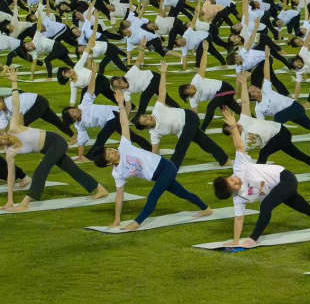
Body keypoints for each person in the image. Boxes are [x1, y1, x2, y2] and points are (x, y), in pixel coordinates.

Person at [90, 89, 212, 230]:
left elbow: (123, 124)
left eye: (110, 149)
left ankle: (136, 223)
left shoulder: (124, 147)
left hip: (165, 167)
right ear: (108, 163)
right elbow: (119, 195)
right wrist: (117, 218)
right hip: (157, 176)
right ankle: (206, 209)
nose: (113, 151)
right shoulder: (117, 173)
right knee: (183, 193)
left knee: (152, 197)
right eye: (109, 154)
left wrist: (121, 105)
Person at [212, 109, 310, 249]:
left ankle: (253, 239)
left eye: (231, 180)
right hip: (278, 189)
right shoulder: (238, 199)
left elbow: (239, 147)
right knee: (304, 208)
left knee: (266, 206)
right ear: (232, 193)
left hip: (285, 178)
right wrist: (235, 240)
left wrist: (233, 127)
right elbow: (238, 219)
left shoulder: (239, 168)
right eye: (234, 186)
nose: (236, 182)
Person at [1, 68, 107, 212]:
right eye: (1, 139)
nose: (4, 136)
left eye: (2, 134)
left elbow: (15, 104)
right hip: (48, 149)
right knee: (71, 169)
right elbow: (10, 176)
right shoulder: (10, 153)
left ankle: (25, 203)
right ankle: (100, 189)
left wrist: (14, 83)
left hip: (56, 141)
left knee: (41, 169)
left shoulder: (14, 127)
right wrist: (9, 200)